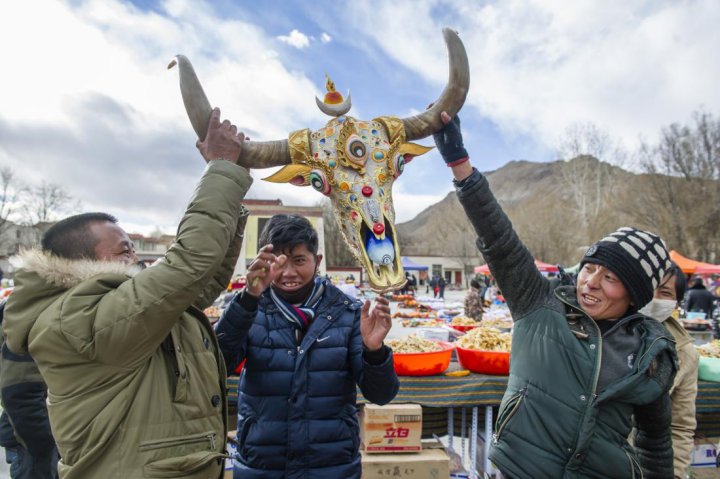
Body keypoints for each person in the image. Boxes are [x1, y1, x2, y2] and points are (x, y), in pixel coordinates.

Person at [2, 108, 253, 478]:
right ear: (80, 263)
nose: (137, 259)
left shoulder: (114, 307)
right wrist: (220, 168)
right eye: (124, 251)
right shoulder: (77, 320)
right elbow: (187, 266)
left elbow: (195, 286)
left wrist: (231, 188)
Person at [434, 111, 677, 478]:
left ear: (635, 295)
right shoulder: (541, 303)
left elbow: (655, 443)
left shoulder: (652, 352)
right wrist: (459, 162)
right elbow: (500, 241)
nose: (591, 282)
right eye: (590, 267)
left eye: (610, 276)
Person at [215, 214, 399, 479]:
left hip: (332, 466)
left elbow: (381, 395)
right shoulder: (249, 308)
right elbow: (216, 367)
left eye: (299, 260)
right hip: (262, 465)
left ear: (318, 262)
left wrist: (374, 350)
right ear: (264, 262)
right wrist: (246, 300)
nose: (289, 273)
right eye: (279, 261)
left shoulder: (348, 314)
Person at [640, 262, 698, 479]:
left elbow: (681, 427)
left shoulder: (685, 353)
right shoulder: (604, 334)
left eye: (664, 292)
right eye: (649, 287)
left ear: (677, 302)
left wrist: (677, 473)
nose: (654, 297)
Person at [0, 298, 59, 478]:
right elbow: (19, 391)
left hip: (40, 437)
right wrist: (45, 446)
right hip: (34, 442)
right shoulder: (37, 310)